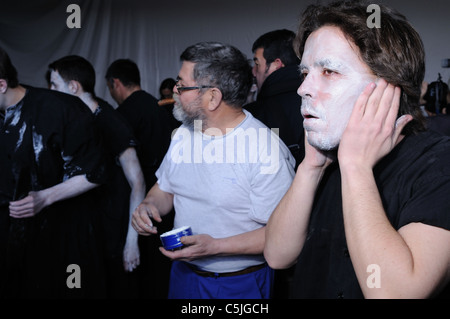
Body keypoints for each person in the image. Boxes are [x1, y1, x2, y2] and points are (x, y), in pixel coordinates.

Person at [264, 1, 450, 299]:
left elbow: (393, 294)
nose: (303, 89)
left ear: (388, 88)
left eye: (328, 71)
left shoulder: (438, 165)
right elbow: (277, 255)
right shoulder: (325, 159)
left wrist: (356, 167)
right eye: (305, 73)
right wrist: (310, 168)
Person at [131, 42, 295, 299]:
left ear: (212, 97)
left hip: (240, 283)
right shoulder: (184, 133)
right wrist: (148, 206)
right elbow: (165, 188)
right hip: (184, 274)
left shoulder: (266, 149)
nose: (175, 91)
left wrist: (216, 247)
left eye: (182, 85)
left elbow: (283, 236)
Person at [0, 47, 107, 298]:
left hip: (58, 240)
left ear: (2, 84)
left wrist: (45, 197)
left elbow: (96, 172)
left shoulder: (61, 109)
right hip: (11, 244)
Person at [48, 55, 147, 298]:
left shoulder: (109, 121)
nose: (49, 91)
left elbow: (138, 182)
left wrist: (131, 242)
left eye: (54, 85)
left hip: (114, 230)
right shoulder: (79, 119)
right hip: (92, 229)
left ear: (73, 87)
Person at [105, 59, 173, 298]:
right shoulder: (162, 108)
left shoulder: (120, 117)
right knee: (161, 270)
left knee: (135, 274)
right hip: (167, 203)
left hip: (138, 206)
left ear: (115, 83)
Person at [245, 29, 304, 169]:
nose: (253, 71)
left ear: (276, 64)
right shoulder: (318, 100)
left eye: (257, 64)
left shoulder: (255, 114)